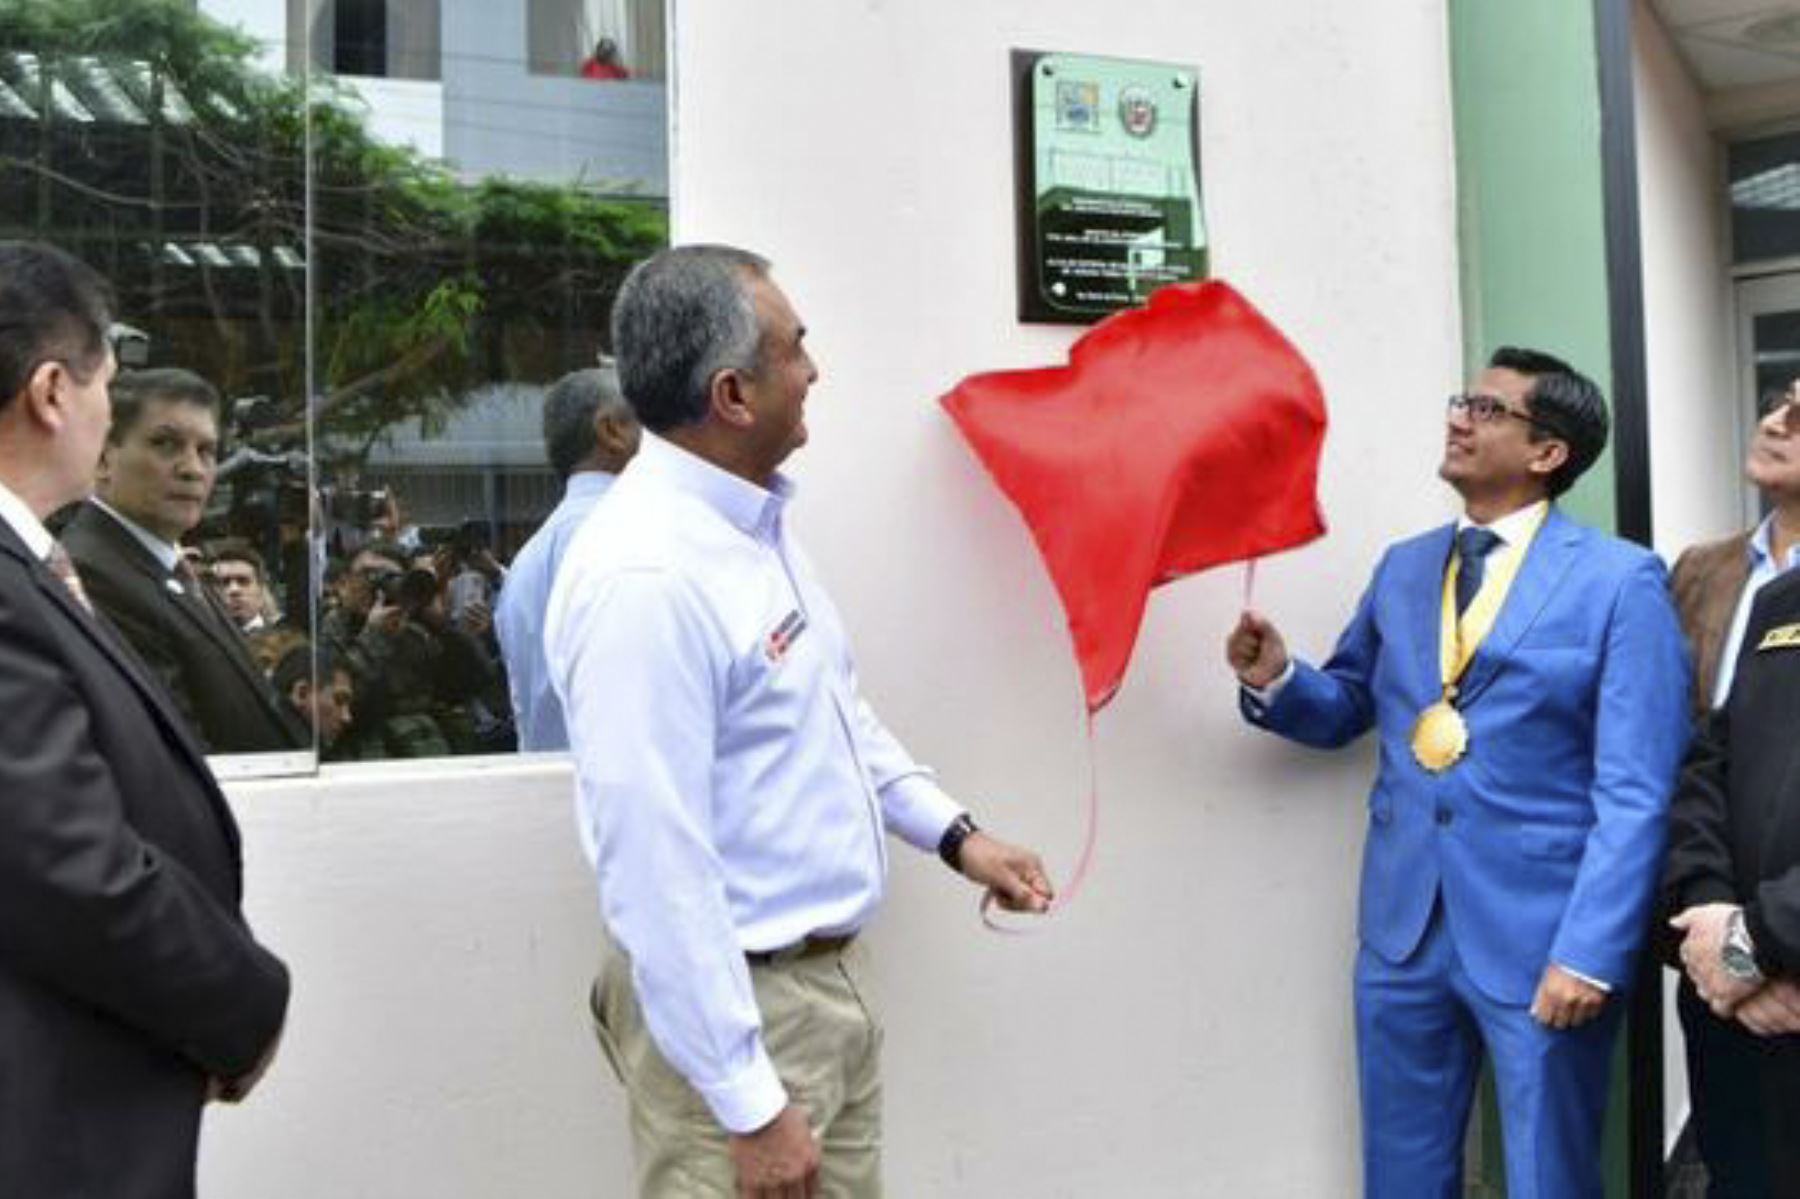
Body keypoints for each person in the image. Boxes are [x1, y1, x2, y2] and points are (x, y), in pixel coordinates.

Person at [545, 244, 1054, 1198]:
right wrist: (747, 1100)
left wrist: (957, 837)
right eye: (795, 348)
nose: (813, 370)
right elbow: (655, 867)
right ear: (733, 393)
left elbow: (835, 720)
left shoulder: (750, 530)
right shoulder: (648, 579)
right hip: (744, 1025)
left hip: (822, 1002)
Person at [1224, 347, 1689, 1198]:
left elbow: (1635, 789)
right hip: (1402, 931)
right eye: (1460, 400)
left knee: (1550, 1175)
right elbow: (1351, 704)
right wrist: (1279, 680)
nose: (1458, 418)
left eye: (1486, 407)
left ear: (1548, 453)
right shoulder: (1406, 565)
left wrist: (1590, 951)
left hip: (1544, 940)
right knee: (1400, 1173)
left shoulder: (1621, 582)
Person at [0, 241, 289, 1195]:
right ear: (52, 392)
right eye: (106, 389)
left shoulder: (35, 572)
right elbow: (70, 867)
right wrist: (245, 1004)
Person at [1662, 375, 1800, 1197]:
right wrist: (1713, 936)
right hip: (1732, 985)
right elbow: (1705, 760)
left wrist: (1751, 946)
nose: (1778, 419)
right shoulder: (1777, 599)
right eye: (1781, 398)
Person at [59, 367, 307, 753]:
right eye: (165, 444)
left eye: (206, 451)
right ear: (103, 459)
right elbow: (172, 758)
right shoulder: (93, 574)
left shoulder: (167, 567)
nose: (193, 469)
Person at [496, 364, 640, 750]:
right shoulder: (631, 538)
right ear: (612, 430)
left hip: (549, 793)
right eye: (651, 421)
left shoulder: (528, 560)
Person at [210, 539, 280, 633]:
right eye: (223, 582)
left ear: (261, 589)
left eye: (243, 581)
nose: (234, 590)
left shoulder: (288, 642)